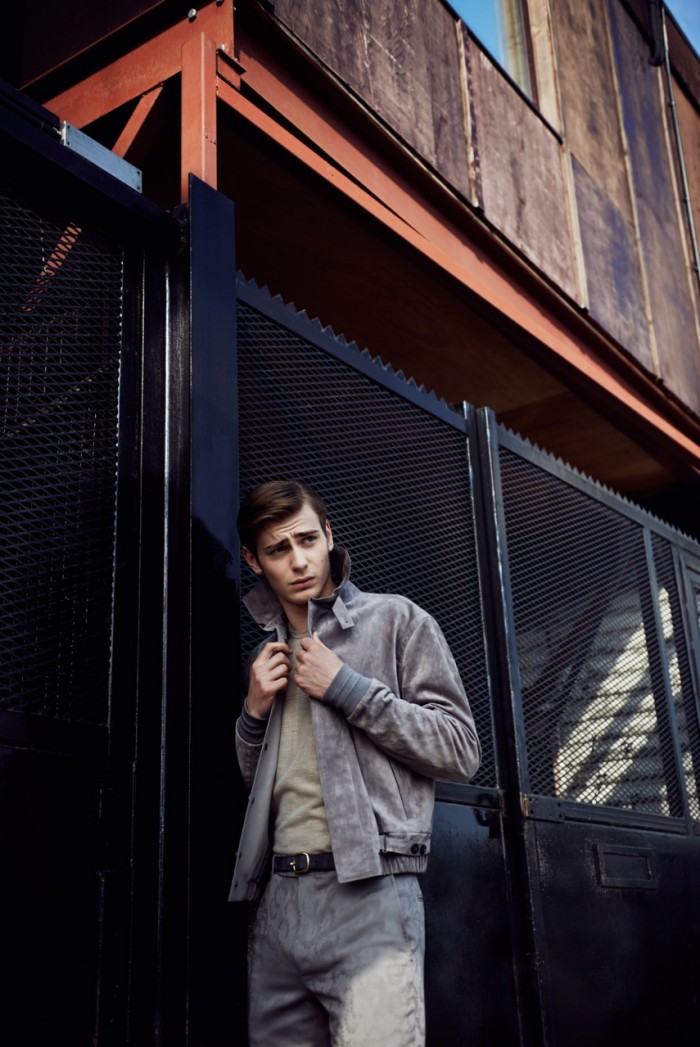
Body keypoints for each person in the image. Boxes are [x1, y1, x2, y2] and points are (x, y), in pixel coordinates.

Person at [229, 480, 480, 1047]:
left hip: (371, 893)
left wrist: (347, 688)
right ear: (253, 560)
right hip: (279, 905)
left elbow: (461, 748)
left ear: (328, 535)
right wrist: (252, 714)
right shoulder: (265, 658)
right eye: (278, 549)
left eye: (307, 540)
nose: (299, 561)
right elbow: (259, 788)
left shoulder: (396, 620)